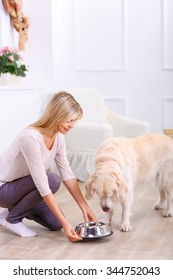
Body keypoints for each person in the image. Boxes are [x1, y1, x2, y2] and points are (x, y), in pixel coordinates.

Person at [0, 91, 96, 241]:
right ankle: (12, 219)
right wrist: (67, 224)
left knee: (55, 223)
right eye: (70, 120)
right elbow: (42, 184)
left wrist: (85, 208)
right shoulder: (31, 138)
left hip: (22, 189)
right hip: (3, 189)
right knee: (52, 180)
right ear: (58, 115)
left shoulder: (59, 138)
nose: (73, 126)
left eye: (75, 121)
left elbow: (68, 175)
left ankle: (11, 211)